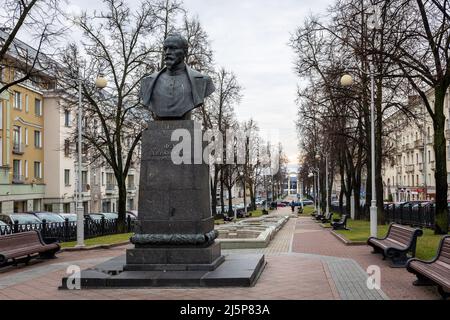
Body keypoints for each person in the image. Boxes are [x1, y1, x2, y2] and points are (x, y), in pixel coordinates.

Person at [140, 33, 215, 120]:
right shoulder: (147, 82)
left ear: (185, 52)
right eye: (165, 49)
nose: (167, 52)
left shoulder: (203, 81)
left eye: (173, 48)